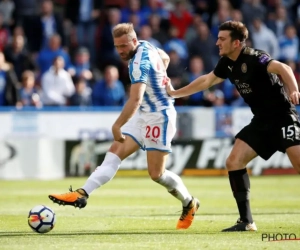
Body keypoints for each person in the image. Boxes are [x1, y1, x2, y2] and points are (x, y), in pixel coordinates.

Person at [49, 23, 199, 230]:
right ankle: (82, 194)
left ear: (134, 41)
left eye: (123, 46)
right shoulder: (147, 45)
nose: (120, 51)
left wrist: (117, 125)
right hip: (144, 114)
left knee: (157, 174)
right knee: (114, 152)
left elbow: (135, 99)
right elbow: (165, 57)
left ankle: (189, 203)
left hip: (159, 117)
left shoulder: (139, 62)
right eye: (117, 46)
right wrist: (162, 80)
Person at [165, 20, 300, 232]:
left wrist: (293, 90)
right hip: (261, 122)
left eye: (222, 39)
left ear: (236, 43)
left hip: (283, 117)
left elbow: (283, 68)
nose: (217, 42)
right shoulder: (226, 63)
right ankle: (246, 222)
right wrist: (175, 93)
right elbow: (205, 82)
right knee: (234, 161)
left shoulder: (255, 57)